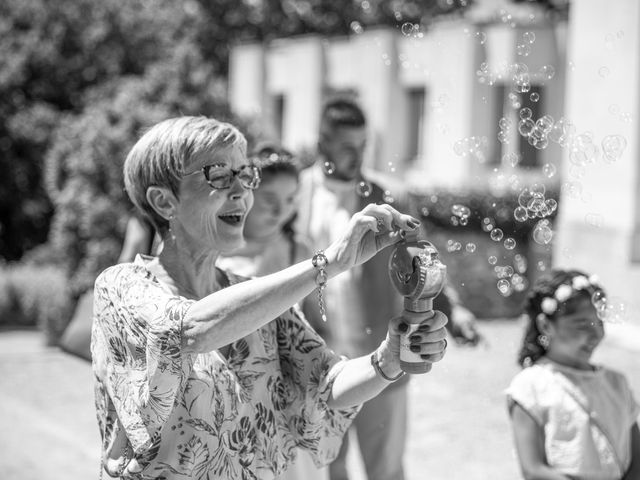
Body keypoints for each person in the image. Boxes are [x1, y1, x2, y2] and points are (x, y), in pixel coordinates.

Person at [91, 116, 449, 480]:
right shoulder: (122, 287)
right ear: (164, 201)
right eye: (218, 174)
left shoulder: (252, 296)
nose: (241, 191)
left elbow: (327, 384)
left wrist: (390, 357)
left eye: (245, 174)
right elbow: (192, 331)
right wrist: (329, 262)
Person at [296, 97, 479, 480]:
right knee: (329, 470)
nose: (358, 156)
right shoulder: (294, 198)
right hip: (319, 364)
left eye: (364, 146)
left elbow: (422, 260)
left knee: (387, 470)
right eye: (347, 147)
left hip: (383, 356)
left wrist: (455, 309)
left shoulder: (390, 197)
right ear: (321, 144)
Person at [216, 142, 326, 479]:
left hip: (290, 398)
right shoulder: (217, 254)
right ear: (247, 196)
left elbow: (319, 324)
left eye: (291, 200)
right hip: (233, 399)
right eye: (270, 201)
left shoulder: (300, 249)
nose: (281, 211)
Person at [506, 269, 640, 480]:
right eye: (582, 325)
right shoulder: (529, 386)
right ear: (545, 325)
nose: (596, 333)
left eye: (600, 322)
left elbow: (636, 463)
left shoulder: (618, 384)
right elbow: (533, 470)